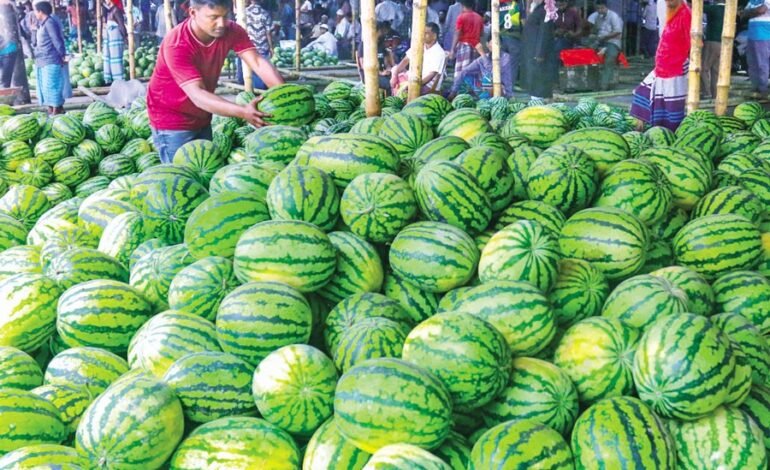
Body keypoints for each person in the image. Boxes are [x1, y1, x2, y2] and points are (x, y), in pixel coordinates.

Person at [146, 0, 284, 163]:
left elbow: (257, 62)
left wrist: (285, 93)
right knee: (182, 179)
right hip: (171, 119)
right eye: (214, 17)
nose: (222, 23)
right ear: (193, 13)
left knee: (206, 169)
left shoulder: (232, 30)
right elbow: (197, 95)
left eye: (225, 16)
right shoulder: (177, 43)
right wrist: (243, 112)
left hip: (202, 115)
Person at [630, 0, 691, 130]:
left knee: (671, 104)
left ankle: (671, 131)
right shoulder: (667, 12)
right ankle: (647, 128)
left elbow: (692, 40)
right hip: (663, 65)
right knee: (642, 93)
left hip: (676, 66)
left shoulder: (685, 14)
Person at [33, 1, 70, 114]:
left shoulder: (49, 23)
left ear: (40, 11)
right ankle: (52, 108)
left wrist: (63, 55)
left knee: (52, 86)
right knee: (46, 87)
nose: (34, 13)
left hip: (51, 59)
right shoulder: (42, 24)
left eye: (35, 11)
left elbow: (57, 40)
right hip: (43, 60)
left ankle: (56, 109)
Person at [389, 22, 445, 95]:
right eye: (422, 33)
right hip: (413, 78)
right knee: (395, 75)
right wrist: (394, 75)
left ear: (434, 36)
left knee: (402, 90)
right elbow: (405, 60)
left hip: (426, 85)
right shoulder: (419, 45)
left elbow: (431, 75)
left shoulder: (439, 53)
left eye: (426, 33)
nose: (423, 35)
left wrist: (415, 86)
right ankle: (396, 102)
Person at [448, 45, 514, 97]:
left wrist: (482, 53)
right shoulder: (484, 58)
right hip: (484, 88)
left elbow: (492, 73)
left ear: (500, 46)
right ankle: (461, 97)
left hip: (501, 90)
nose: (493, 46)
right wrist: (453, 91)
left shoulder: (506, 57)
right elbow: (464, 71)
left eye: (496, 44)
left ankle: (487, 99)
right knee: (465, 75)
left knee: (487, 78)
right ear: (487, 44)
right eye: (491, 43)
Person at [522, 0, 555, 99]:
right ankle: (535, 98)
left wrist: (540, 52)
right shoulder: (535, 8)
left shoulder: (545, 10)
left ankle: (539, 99)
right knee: (533, 74)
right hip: (532, 47)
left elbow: (545, 32)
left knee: (539, 75)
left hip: (538, 49)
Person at [588, 0, 623, 90]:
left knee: (609, 59)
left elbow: (618, 32)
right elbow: (593, 30)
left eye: (602, 8)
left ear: (606, 7)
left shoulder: (613, 16)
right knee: (588, 53)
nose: (600, 10)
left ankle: (604, 85)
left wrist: (605, 37)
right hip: (599, 40)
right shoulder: (596, 16)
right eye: (598, 8)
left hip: (612, 41)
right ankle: (591, 83)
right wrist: (593, 35)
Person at [356, 21, 395, 94]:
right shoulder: (364, 45)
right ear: (376, 31)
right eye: (380, 31)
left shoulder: (381, 43)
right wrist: (380, 73)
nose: (382, 33)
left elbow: (386, 62)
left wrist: (389, 69)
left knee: (398, 80)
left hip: (383, 74)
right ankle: (388, 102)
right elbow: (363, 65)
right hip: (370, 76)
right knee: (389, 84)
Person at [741, 0, 770, 98]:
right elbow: (743, 14)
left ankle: (763, 88)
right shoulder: (752, 1)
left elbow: (761, 10)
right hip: (752, 35)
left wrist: (750, 12)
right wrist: (753, 12)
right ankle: (755, 87)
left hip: (764, 35)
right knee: (752, 62)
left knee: (762, 63)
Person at [448, 0, 482, 74]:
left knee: (460, 72)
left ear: (462, 6)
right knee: (471, 71)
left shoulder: (461, 16)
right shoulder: (479, 17)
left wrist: (452, 49)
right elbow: (481, 33)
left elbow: (457, 33)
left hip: (464, 46)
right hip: (476, 47)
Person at [702, 0, 725, 99]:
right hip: (723, 43)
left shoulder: (715, 9)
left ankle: (706, 93)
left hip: (712, 41)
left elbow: (697, 6)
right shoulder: (728, 10)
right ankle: (715, 94)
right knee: (715, 70)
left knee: (703, 67)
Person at [499, 0, 522, 92]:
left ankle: (500, 86)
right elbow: (523, 22)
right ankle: (509, 88)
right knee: (513, 65)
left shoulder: (498, 5)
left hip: (501, 38)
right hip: (514, 38)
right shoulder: (517, 6)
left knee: (502, 63)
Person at [102, 0, 127, 84]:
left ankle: (109, 78)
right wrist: (125, 36)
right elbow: (121, 25)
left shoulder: (109, 11)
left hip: (109, 35)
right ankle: (118, 79)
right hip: (115, 36)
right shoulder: (116, 10)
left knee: (110, 57)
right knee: (116, 57)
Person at [1, 0, 20, 88]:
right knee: (4, 80)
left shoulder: (7, 12)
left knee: (4, 81)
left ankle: (4, 99)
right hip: (8, 51)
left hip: (8, 51)